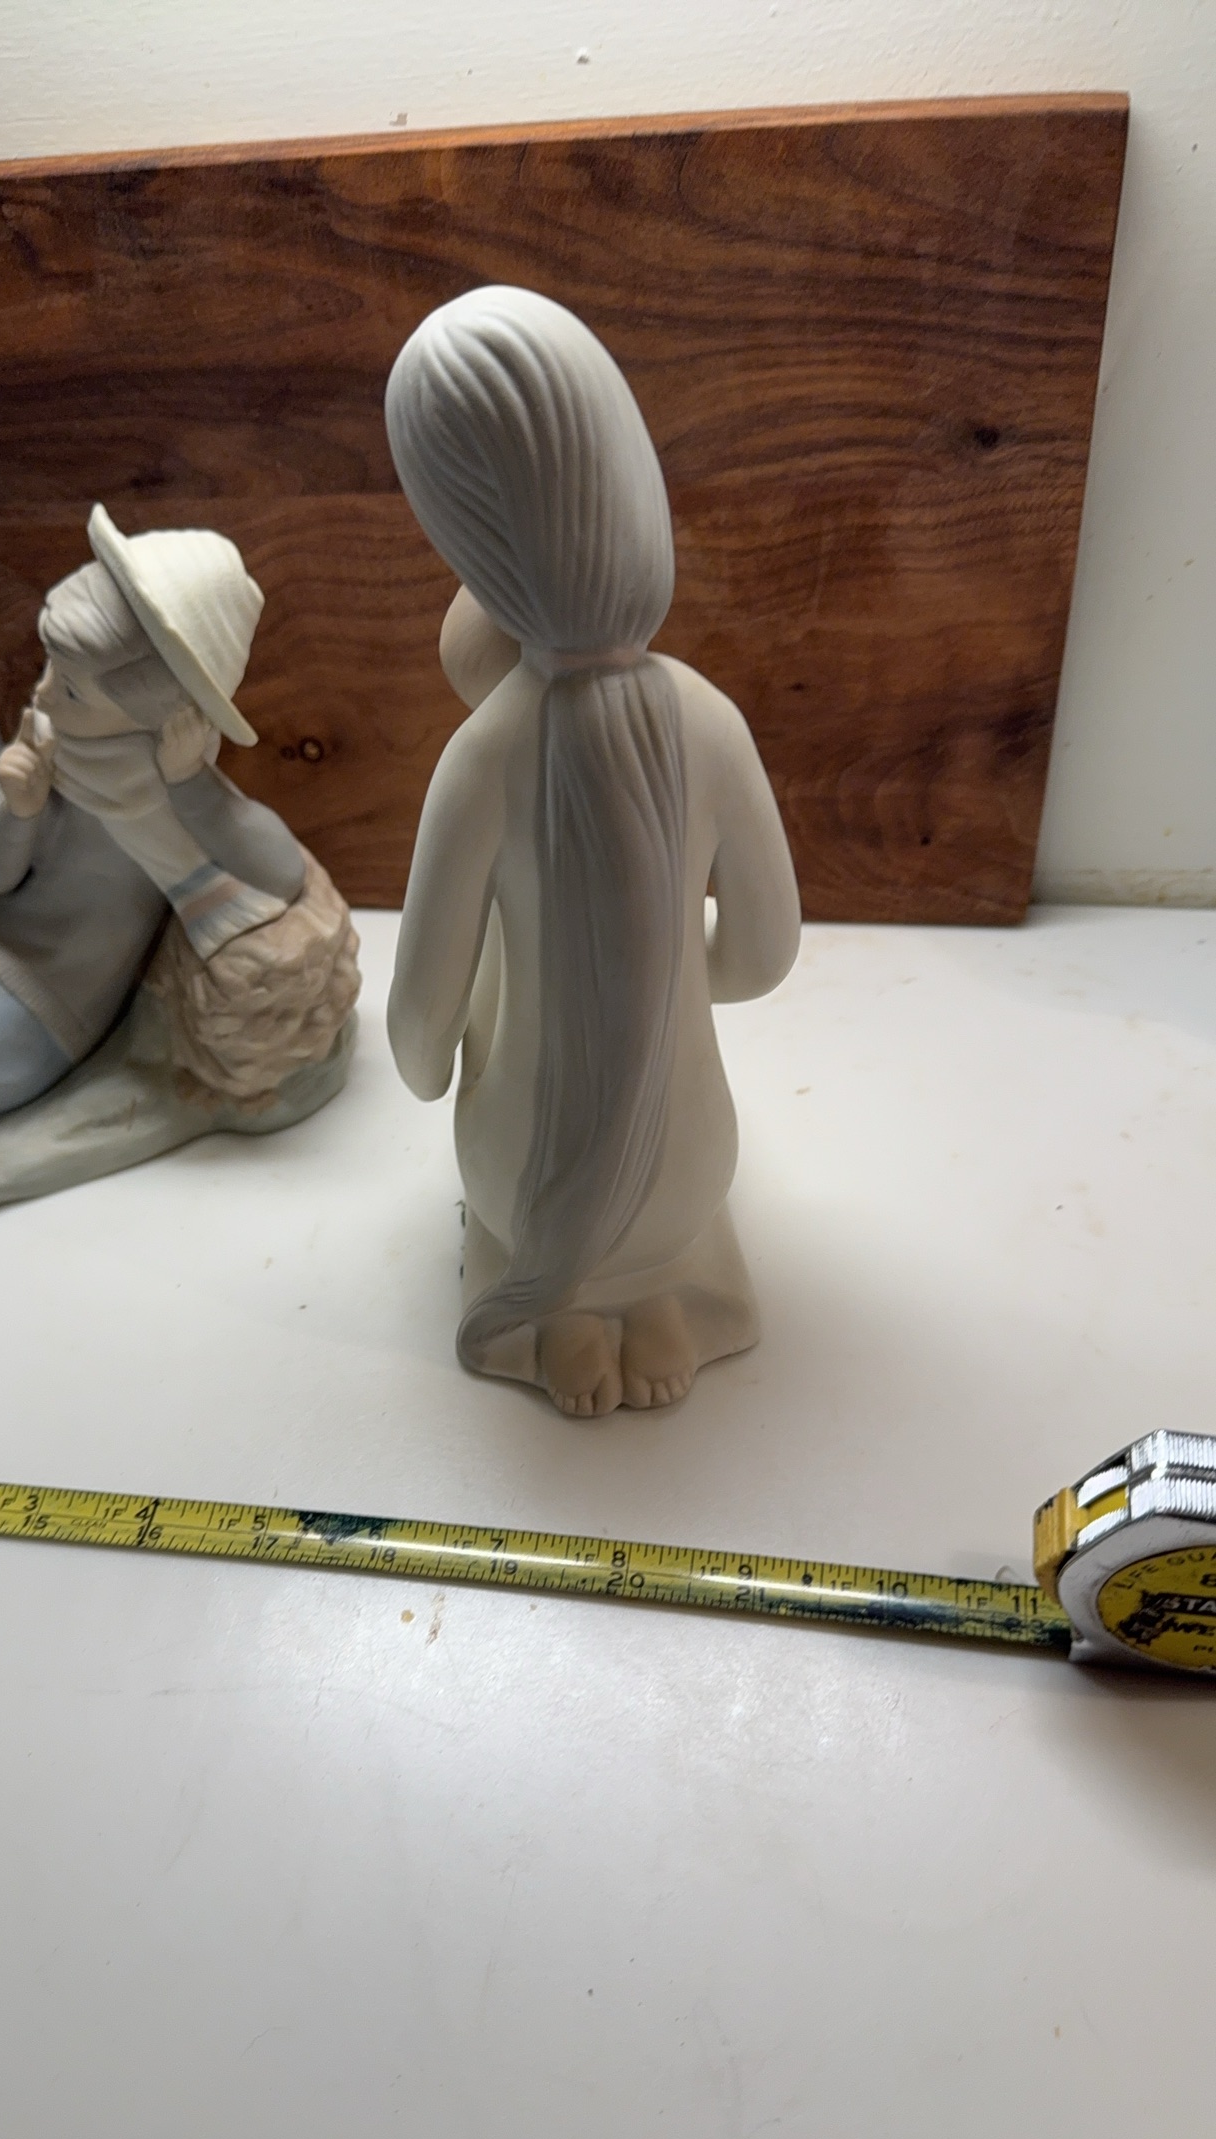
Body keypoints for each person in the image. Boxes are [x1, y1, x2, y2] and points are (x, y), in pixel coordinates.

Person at [385, 285, 802, 1417]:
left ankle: (561, 1313)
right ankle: (660, 1294)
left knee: (510, 1110)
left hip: (522, 1184)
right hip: (690, 1168)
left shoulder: (482, 755)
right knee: (676, 1185)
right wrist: (663, 976)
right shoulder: (708, 719)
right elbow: (763, 954)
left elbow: (420, 1030)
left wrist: (434, 1066)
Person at [0, 508, 304, 1131]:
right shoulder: (48, 750)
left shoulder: (174, 795)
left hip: (41, 1013)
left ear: (156, 712)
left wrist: (193, 784)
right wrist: (18, 812)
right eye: (49, 668)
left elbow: (283, 872)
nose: (43, 694)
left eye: (72, 689)